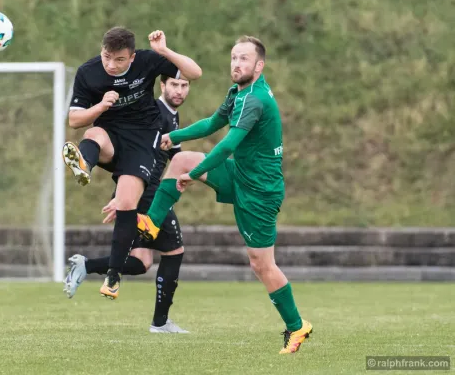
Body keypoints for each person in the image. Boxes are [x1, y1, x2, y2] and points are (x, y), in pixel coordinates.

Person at [134, 36, 313, 353]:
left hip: (260, 191)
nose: (236, 63)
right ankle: (151, 224)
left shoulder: (254, 100)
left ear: (259, 66)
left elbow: (228, 144)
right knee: (181, 158)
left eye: (244, 58)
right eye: (233, 57)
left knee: (261, 266)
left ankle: (298, 327)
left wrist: (193, 176)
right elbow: (212, 123)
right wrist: (174, 135)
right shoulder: (239, 92)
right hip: (240, 175)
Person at [62, 26, 202, 299]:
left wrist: (163, 51)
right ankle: (83, 165)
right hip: (110, 135)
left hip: (141, 140)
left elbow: (195, 73)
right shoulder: (88, 72)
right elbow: (75, 120)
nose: (111, 65)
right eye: (106, 57)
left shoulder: (149, 61)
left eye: (119, 60)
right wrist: (101, 106)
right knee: (92, 134)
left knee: (127, 204)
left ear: (132, 57)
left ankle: (113, 276)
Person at [64, 75, 190, 333]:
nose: (179, 90)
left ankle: (86, 265)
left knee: (142, 261)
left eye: (184, 85)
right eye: (174, 85)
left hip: (147, 189)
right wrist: (122, 193)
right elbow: (133, 153)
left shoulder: (172, 117)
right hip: (150, 192)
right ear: (162, 85)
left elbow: (176, 157)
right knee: (174, 252)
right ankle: (161, 323)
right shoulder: (153, 112)